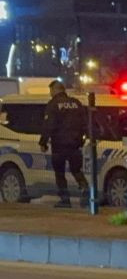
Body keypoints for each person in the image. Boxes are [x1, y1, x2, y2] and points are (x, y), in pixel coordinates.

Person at [39, 80, 90, 208]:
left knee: (60, 173)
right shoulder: (76, 103)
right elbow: (85, 123)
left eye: (51, 91)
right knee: (77, 170)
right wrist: (82, 139)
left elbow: (48, 125)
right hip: (75, 144)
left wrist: (43, 142)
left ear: (55, 90)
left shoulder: (53, 104)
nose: (50, 94)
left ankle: (65, 199)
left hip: (59, 145)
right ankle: (86, 192)